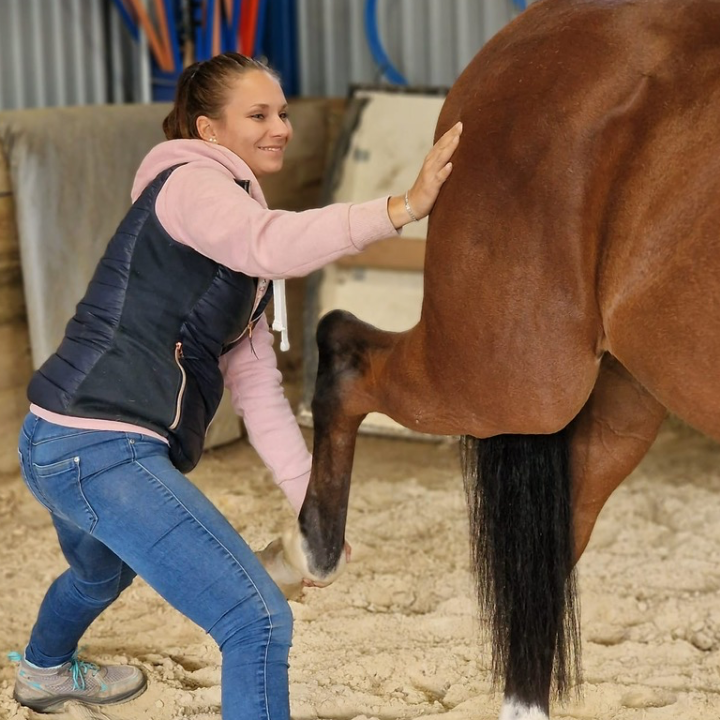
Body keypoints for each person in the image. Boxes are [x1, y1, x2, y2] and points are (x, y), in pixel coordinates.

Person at [11, 51, 462, 719]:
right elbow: (271, 244)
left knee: (98, 571)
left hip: (58, 439)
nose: (280, 126)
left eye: (281, 112)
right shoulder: (193, 184)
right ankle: (48, 668)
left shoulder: (235, 242)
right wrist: (402, 207)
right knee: (257, 620)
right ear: (209, 131)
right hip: (100, 449)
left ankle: (44, 673)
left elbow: (259, 393)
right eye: (258, 114)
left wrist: (318, 511)